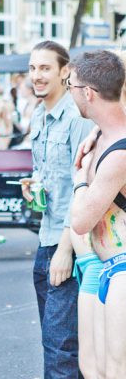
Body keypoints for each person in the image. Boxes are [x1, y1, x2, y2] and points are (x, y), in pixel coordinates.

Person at [20, 40, 93, 379]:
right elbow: (51, 179)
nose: (37, 75)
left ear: (65, 72)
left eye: (45, 68)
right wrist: (34, 188)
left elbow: (84, 189)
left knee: (61, 349)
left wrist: (65, 250)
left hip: (71, 246)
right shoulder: (39, 116)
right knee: (59, 344)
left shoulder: (78, 118)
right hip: (45, 240)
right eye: (33, 68)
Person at [69, 50, 126, 379]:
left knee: (116, 372)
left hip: (122, 268)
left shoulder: (119, 152)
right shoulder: (101, 136)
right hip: (104, 266)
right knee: (96, 371)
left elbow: (81, 220)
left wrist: (80, 182)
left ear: (87, 92)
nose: (70, 91)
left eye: (70, 84)